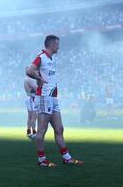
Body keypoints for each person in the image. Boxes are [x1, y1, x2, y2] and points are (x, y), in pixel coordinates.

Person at [26, 35, 83, 167]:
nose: (59, 46)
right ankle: (41, 160)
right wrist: (38, 77)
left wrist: (40, 77)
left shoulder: (51, 58)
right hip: (44, 97)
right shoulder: (41, 57)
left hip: (52, 98)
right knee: (42, 130)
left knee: (59, 128)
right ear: (51, 44)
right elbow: (29, 70)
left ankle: (67, 158)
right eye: (57, 44)